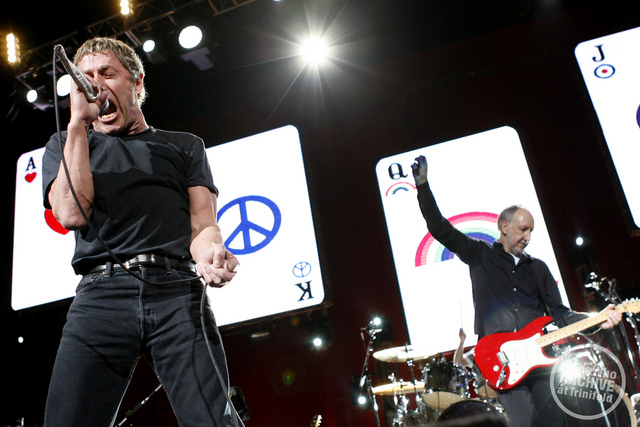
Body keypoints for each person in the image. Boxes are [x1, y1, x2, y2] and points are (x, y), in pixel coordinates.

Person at [41, 37, 243, 427]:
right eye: (85, 78)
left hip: (176, 293)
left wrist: (210, 254)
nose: (95, 85)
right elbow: (71, 213)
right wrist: (78, 125)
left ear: (136, 82)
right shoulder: (65, 143)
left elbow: (203, 225)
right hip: (100, 298)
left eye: (106, 73)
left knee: (214, 421)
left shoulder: (184, 146)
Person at [411, 155, 622, 427]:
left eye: (531, 231)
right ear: (504, 226)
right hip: (501, 360)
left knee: (554, 422)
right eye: (523, 229)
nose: (528, 237)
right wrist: (423, 186)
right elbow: (440, 228)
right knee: (524, 422)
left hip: (541, 358)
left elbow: (560, 314)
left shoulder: (538, 268)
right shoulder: (480, 254)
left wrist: (597, 320)